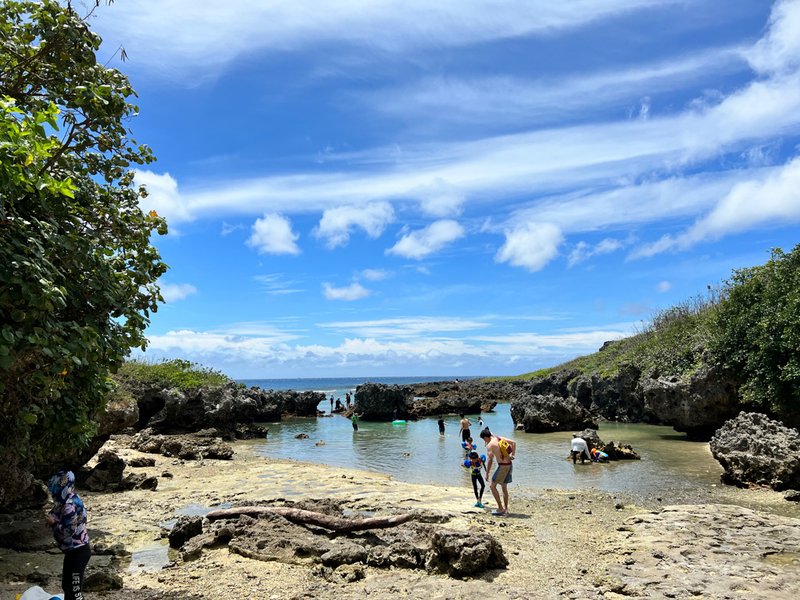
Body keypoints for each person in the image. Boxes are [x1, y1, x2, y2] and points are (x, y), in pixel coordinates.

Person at [45, 470, 90, 600]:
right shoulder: (70, 498)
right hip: (72, 551)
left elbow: (68, 531)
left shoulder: (69, 505)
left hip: (79, 552)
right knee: (67, 586)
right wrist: (53, 518)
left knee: (75, 591)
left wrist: (54, 523)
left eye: (54, 487)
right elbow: (57, 510)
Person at [480, 427, 516, 516]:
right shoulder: (499, 438)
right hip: (509, 465)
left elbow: (490, 460)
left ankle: (500, 508)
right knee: (504, 486)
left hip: (503, 467)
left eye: (484, 439)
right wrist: (513, 455)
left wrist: (487, 473)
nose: (485, 441)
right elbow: (514, 443)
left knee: (492, 486)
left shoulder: (490, 445)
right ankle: (506, 509)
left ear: (485, 437)